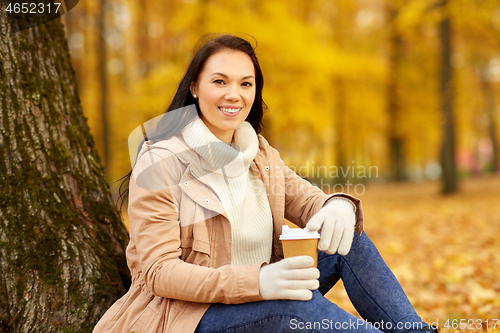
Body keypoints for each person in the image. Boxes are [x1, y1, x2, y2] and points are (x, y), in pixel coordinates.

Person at [93, 34, 438, 333]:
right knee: (291, 308)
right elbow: (159, 272)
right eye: (219, 82)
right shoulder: (160, 163)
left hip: (262, 297)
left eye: (246, 83)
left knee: (350, 241)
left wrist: (340, 206)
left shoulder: (258, 154)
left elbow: (309, 202)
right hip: (189, 317)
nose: (234, 94)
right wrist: (258, 282)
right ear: (195, 88)